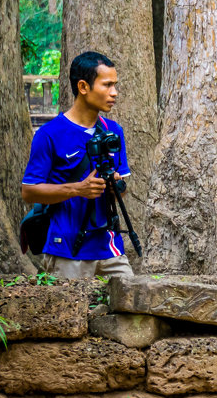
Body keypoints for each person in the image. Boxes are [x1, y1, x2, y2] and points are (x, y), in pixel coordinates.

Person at [21, 51, 134, 279]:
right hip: (66, 250)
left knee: (131, 310)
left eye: (115, 85)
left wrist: (116, 186)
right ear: (83, 87)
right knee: (70, 315)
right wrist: (78, 189)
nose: (114, 93)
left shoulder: (114, 132)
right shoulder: (49, 135)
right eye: (107, 85)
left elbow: (121, 192)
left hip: (110, 248)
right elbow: (29, 191)